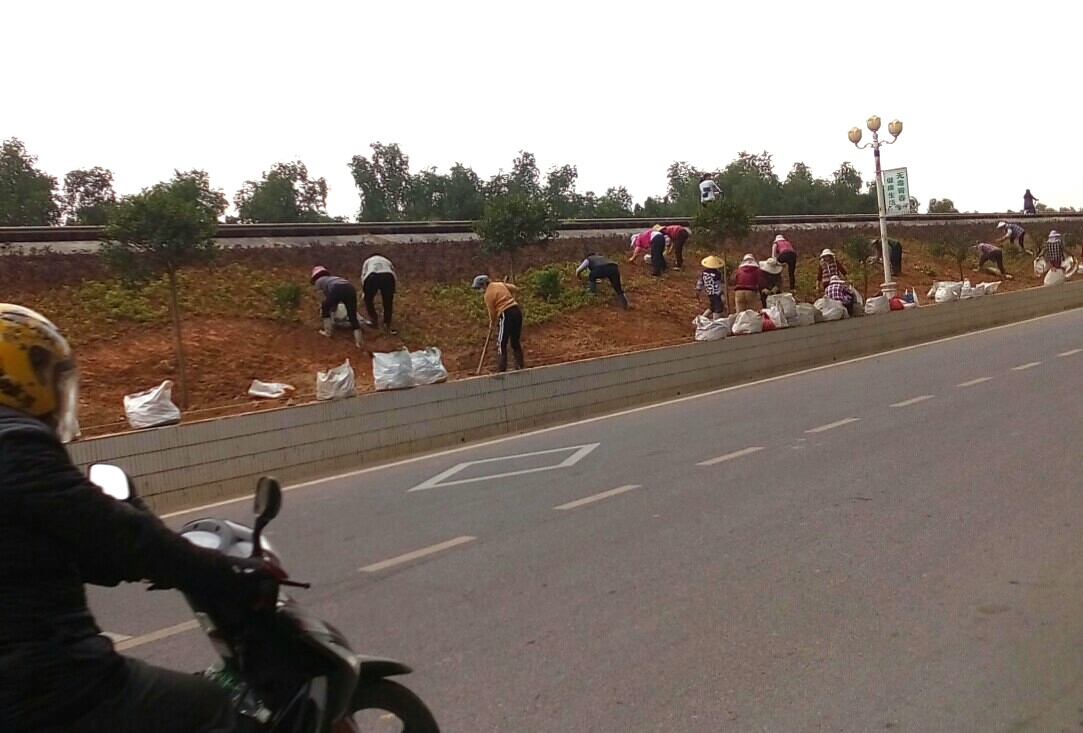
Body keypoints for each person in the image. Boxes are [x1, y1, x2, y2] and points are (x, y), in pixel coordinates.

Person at [0, 303, 282, 733]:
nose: (57, 394)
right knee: (208, 706)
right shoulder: (16, 448)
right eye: (50, 376)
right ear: (19, 376)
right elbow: (123, 536)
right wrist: (226, 572)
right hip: (50, 683)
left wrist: (129, 560)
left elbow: (56, 543)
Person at [472, 275, 524, 371]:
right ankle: (520, 366)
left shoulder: (488, 295)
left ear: (484, 284)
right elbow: (515, 288)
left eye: (480, 287)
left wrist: (492, 324)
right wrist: (505, 291)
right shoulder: (499, 284)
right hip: (517, 311)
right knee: (515, 341)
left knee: (501, 343)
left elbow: (492, 312)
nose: (480, 290)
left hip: (506, 313)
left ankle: (501, 369)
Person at [310, 265, 363, 348]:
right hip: (350, 288)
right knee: (352, 316)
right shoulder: (333, 278)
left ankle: (327, 332)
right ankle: (359, 342)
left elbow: (326, 297)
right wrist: (334, 307)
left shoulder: (319, 281)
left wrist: (329, 310)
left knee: (325, 307)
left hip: (336, 288)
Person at [360, 253, 397, 336]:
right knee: (388, 302)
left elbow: (363, 275)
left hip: (372, 276)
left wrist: (365, 292)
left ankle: (373, 319)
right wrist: (393, 288)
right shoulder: (387, 260)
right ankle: (387, 323)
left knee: (368, 299)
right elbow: (393, 274)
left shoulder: (368, 261)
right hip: (387, 276)